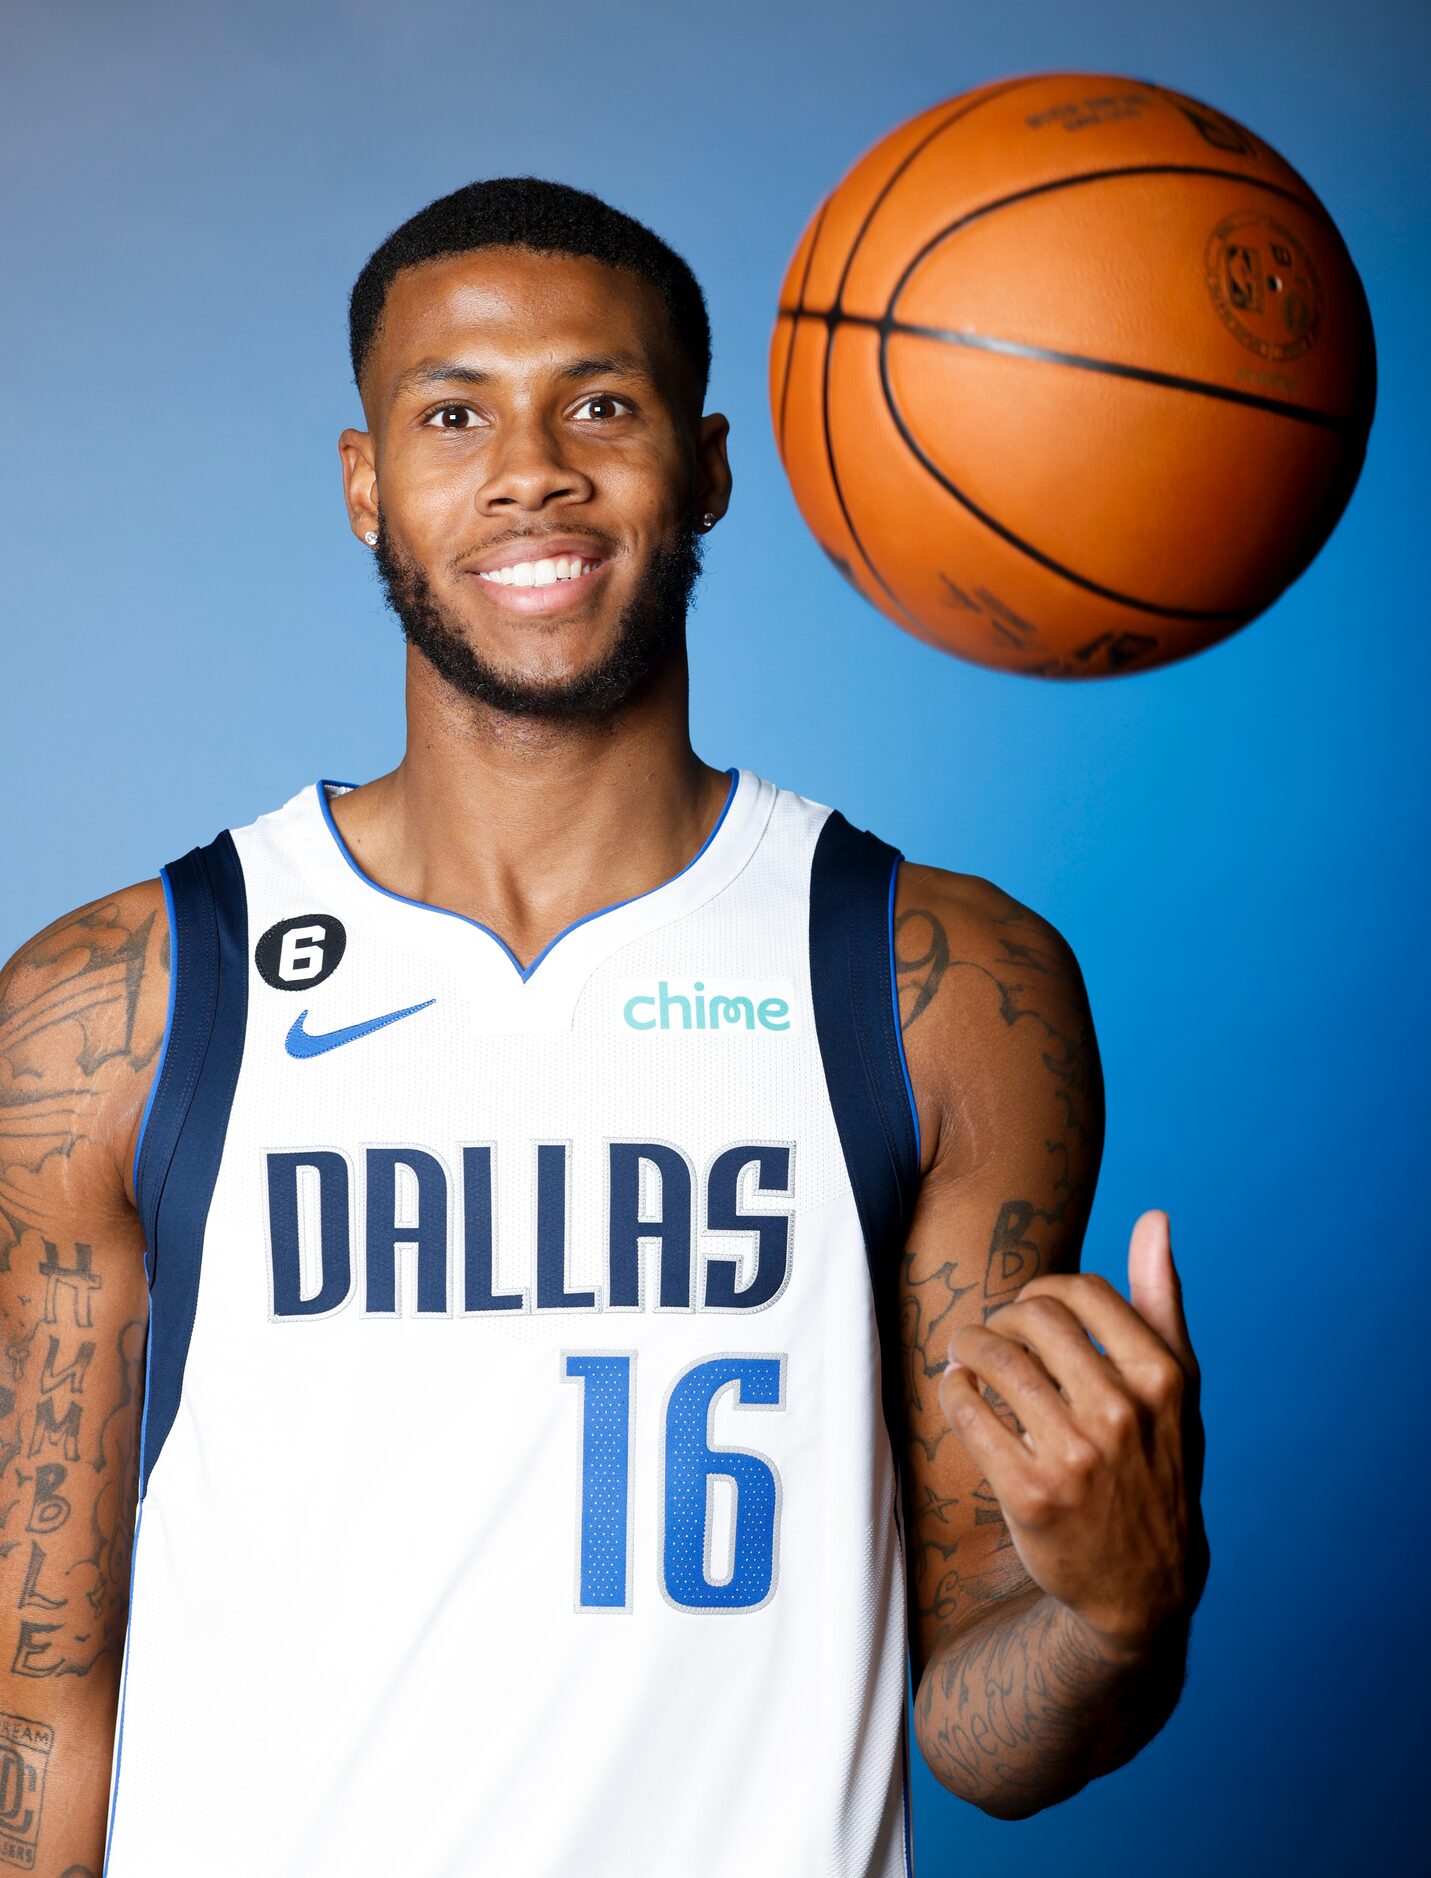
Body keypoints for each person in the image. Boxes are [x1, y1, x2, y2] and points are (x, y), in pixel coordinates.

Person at [0, 178, 1208, 1877]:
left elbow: (980, 1722)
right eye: (451, 412)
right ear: (366, 485)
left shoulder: (935, 988)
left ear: (707, 468)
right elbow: (40, 1704)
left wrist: (1124, 1612)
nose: (531, 467)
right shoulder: (115, 1010)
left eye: (601, 404)